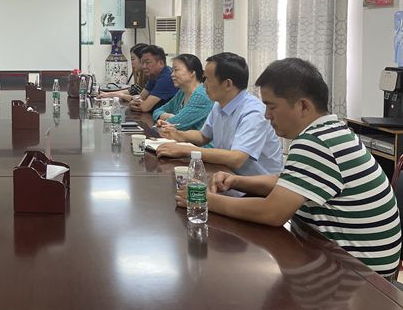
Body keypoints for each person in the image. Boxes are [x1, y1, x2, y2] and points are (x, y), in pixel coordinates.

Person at [176, 58, 402, 278]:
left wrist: (204, 200)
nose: (267, 115)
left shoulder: (316, 142)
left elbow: (272, 212)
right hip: (351, 259)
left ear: (303, 106)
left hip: (360, 274)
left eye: (271, 106)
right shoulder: (331, 130)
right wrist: (238, 181)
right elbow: (288, 182)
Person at [156, 52, 283, 175]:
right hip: (227, 175)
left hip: (255, 183)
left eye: (207, 79)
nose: (204, 85)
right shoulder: (219, 104)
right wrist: (178, 134)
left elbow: (236, 158)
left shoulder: (253, 112)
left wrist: (186, 150)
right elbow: (203, 136)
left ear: (227, 84)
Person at [152, 53, 213, 131]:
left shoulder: (200, 96)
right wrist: (168, 116)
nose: (172, 74)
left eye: (176, 70)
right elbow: (157, 112)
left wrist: (165, 119)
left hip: (195, 139)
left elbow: (175, 124)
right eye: (172, 70)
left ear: (192, 72)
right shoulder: (182, 92)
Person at [129, 44, 178, 113]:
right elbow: (141, 97)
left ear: (161, 63)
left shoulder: (166, 78)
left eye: (147, 62)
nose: (144, 66)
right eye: (142, 63)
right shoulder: (153, 75)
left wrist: (137, 103)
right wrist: (132, 103)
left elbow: (145, 107)